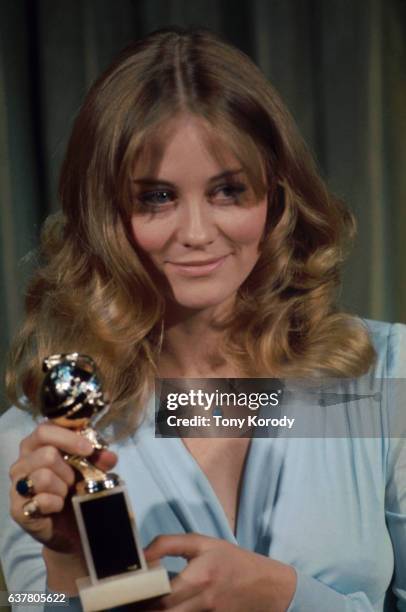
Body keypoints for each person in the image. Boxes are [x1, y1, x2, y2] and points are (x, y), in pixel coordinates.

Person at [0, 26, 405, 612]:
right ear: (105, 213)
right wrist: (66, 563)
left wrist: (284, 597)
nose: (195, 233)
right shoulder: (35, 438)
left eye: (228, 191)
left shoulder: (381, 380)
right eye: (156, 198)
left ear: (276, 195)